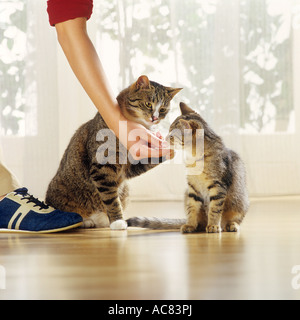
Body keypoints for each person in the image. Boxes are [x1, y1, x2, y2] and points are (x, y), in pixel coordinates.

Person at [0, 0, 170, 233]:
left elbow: (70, 28)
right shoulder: (102, 130)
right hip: (74, 199)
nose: (154, 116)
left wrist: (153, 150)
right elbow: (68, 27)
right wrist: (118, 123)